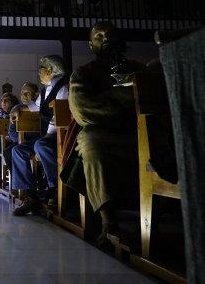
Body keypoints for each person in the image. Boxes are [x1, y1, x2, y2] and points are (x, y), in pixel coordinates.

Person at [68, 21, 146, 245]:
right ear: (90, 45)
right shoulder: (82, 74)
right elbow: (84, 112)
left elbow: (156, 102)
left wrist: (111, 103)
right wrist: (125, 98)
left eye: (110, 34)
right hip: (103, 134)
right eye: (99, 36)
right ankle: (109, 224)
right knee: (91, 141)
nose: (106, 39)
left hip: (138, 131)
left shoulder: (139, 69)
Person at [10, 55, 69, 216]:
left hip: (62, 135)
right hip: (48, 136)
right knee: (18, 150)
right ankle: (31, 196)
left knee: (40, 144)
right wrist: (19, 108)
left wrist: (46, 136)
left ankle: (54, 188)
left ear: (49, 70)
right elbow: (34, 107)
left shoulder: (63, 87)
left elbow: (61, 114)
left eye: (41, 70)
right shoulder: (46, 89)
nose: (39, 74)